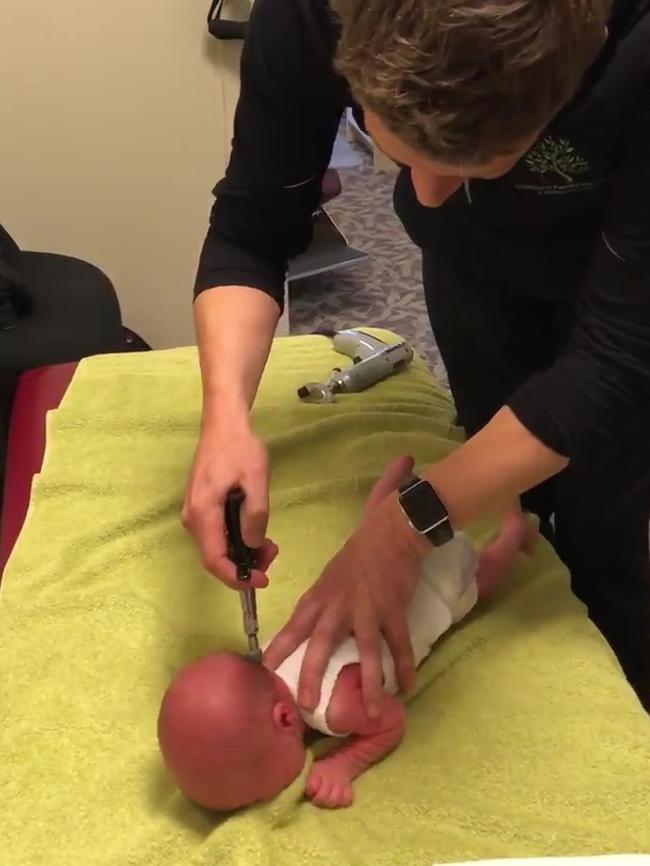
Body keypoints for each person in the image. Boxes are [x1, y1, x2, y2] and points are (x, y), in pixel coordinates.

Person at [182, 0, 650, 714]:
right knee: (504, 489)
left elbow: (615, 364)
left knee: (605, 531)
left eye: (474, 169)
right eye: (401, 157)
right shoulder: (308, 14)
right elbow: (252, 230)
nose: (422, 201)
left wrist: (403, 533)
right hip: (482, 277)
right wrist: (223, 423)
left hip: (619, 273)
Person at [162, 458, 534, 810]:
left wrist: (344, 765)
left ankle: (511, 536)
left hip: (434, 587)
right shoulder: (272, 655)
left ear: (286, 720)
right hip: (378, 557)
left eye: (256, 792)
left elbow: (390, 722)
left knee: (480, 581)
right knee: (371, 529)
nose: (263, 799)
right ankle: (394, 487)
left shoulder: (335, 709)